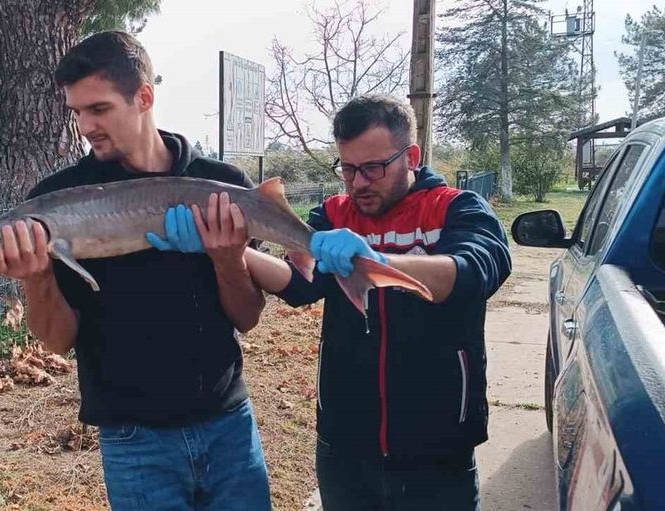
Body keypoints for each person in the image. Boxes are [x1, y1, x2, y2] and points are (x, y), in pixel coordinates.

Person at [160, 94, 510, 509]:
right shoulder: (333, 214)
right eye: (347, 168)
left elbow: (477, 270)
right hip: (344, 448)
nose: (358, 183)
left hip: (438, 451)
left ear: (411, 157)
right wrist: (227, 250)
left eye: (373, 168)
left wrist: (378, 263)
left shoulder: (456, 208)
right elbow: (299, 284)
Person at [0, 31, 272, 511]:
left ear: (144, 97)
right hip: (133, 439)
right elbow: (57, 341)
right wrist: (37, 277)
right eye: (77, 112)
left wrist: (227, 260)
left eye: (99, 109)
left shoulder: (222, 187)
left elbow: (247, 317)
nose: (85, 126)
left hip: (228, 423)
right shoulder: (56, 202)